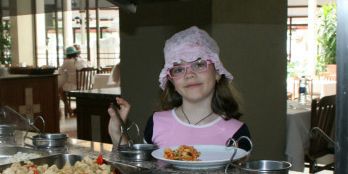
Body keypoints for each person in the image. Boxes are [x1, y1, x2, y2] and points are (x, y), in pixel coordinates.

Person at [107, 26, 251, 151]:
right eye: (178, 69)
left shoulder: (236, 132)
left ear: (218, 72)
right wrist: (117, 133)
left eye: (199, 64)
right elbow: (137, 171)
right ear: (171, 81)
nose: (189, 74)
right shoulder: (157, 123)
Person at [58, 45, 91, 117]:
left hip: (75, 86)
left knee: (60, 89)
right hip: (87, 86)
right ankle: (78, 109)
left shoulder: (67, 62)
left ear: (67, 55)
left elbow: (60, 71)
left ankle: (68, 109)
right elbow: (90, 68)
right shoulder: (83, 60)